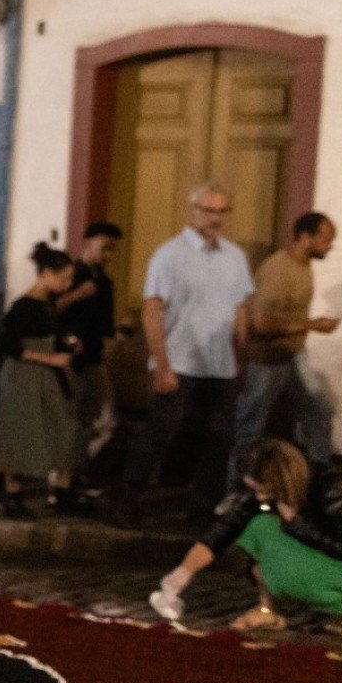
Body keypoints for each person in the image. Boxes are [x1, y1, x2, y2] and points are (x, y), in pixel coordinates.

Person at [151, 438, 342, 638]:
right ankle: (268, 610)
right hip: (338, 553)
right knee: (257, 526)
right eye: (255, 490)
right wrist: (182, 574)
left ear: (281, 479)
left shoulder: (332, 489)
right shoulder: (272, 492)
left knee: (284, 572)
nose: (260, 498)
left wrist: (297, 526)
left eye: (263, 490)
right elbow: (224, 531)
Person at [115, 183, 254, 522]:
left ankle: (203, 505)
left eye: (222, 211)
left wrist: (241, 357)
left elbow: (239, 310)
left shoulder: (234, 257)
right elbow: (152, 309)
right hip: (178, 358)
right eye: (208, 210)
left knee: (219, 437)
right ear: (193, 211)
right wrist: (162, 364)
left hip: (219, 364)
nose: (215, 218)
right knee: (161, 432)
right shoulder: (170, 254)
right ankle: (127, 499)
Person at [231, 212, 339, 480]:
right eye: (325, 240)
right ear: (305, 238)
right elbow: (261, 324)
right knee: (249, 429)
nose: (330, 246)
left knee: (319, 411)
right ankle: (233, 497)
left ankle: (317, 482)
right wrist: (311, 326)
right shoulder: (278, 269)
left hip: (291, 355)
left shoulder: (303, 267)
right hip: (265, 361)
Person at [0, 243, 84, 519]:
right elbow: (9, 344)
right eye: (62, 277)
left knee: (67, 428)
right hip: (24, 376)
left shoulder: (49, 304)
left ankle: (62, 490)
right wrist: (48, 359)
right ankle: (12, 495)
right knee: (19, 433)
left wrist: (69, 344)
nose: (67, 284)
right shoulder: (23, 306)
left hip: (47, 376)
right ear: (45, 274)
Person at [56, 221, 122, 469]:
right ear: (88, 242)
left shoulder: (105, 282)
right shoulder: (69, 274)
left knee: (105, 421)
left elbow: (106, 323)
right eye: (103, 247)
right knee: (72, 417)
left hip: (95, 356)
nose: (107, 255)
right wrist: (77, 294)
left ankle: (74, 469)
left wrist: (111, 342)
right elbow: (51, 310)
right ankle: (63, 477)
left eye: (111, 250)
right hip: (70, 357)